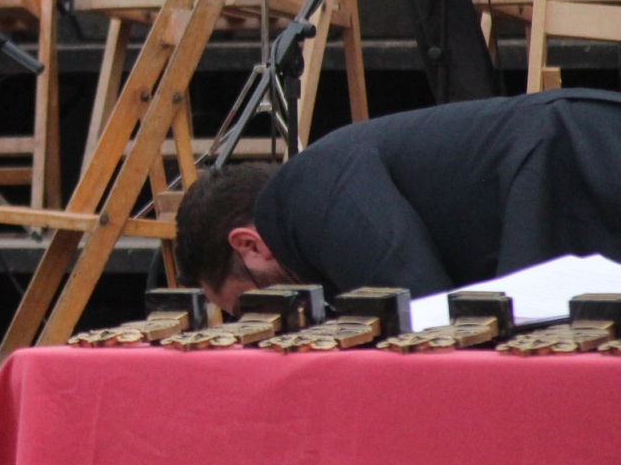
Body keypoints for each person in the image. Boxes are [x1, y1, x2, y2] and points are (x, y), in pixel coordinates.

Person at [176, 88, 621, 315]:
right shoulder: (311, 203)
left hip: (577, 158)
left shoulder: (304, 192)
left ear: (249, 244)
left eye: (248, 306)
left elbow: (424, 312)